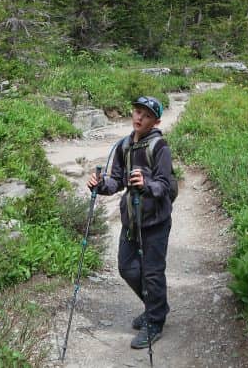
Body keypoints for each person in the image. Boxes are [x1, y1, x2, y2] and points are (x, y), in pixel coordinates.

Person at [86, 95, 174, 350]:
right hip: (131, 221)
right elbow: (116, 181)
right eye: (137, 112)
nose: (139, 117)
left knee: (152, 272)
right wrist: (100, 185)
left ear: (155, 121)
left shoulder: (159, 147)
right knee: (127, 268)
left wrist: (147, 186)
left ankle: (155, 321)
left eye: (146, 115)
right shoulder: (123, 145)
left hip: (156, 221)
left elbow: (165, 184)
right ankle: (156, 306)